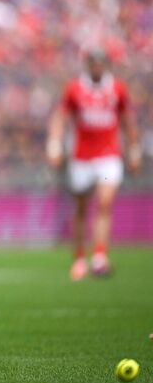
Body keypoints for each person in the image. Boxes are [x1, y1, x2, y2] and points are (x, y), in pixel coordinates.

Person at [46, 48, 141, 281]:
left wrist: (134, 149)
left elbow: (128, 120)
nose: (97, 68)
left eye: (101, 64)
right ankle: (79, 258)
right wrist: (55, 145)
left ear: (106, 65)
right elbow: (60, 117)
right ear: (88, 65)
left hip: (109, 156)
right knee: (80, 208)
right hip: (82, 157)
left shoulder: (117, 89)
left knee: (105, 203)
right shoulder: (75, 89)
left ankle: (99, 257)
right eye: (93, 64)